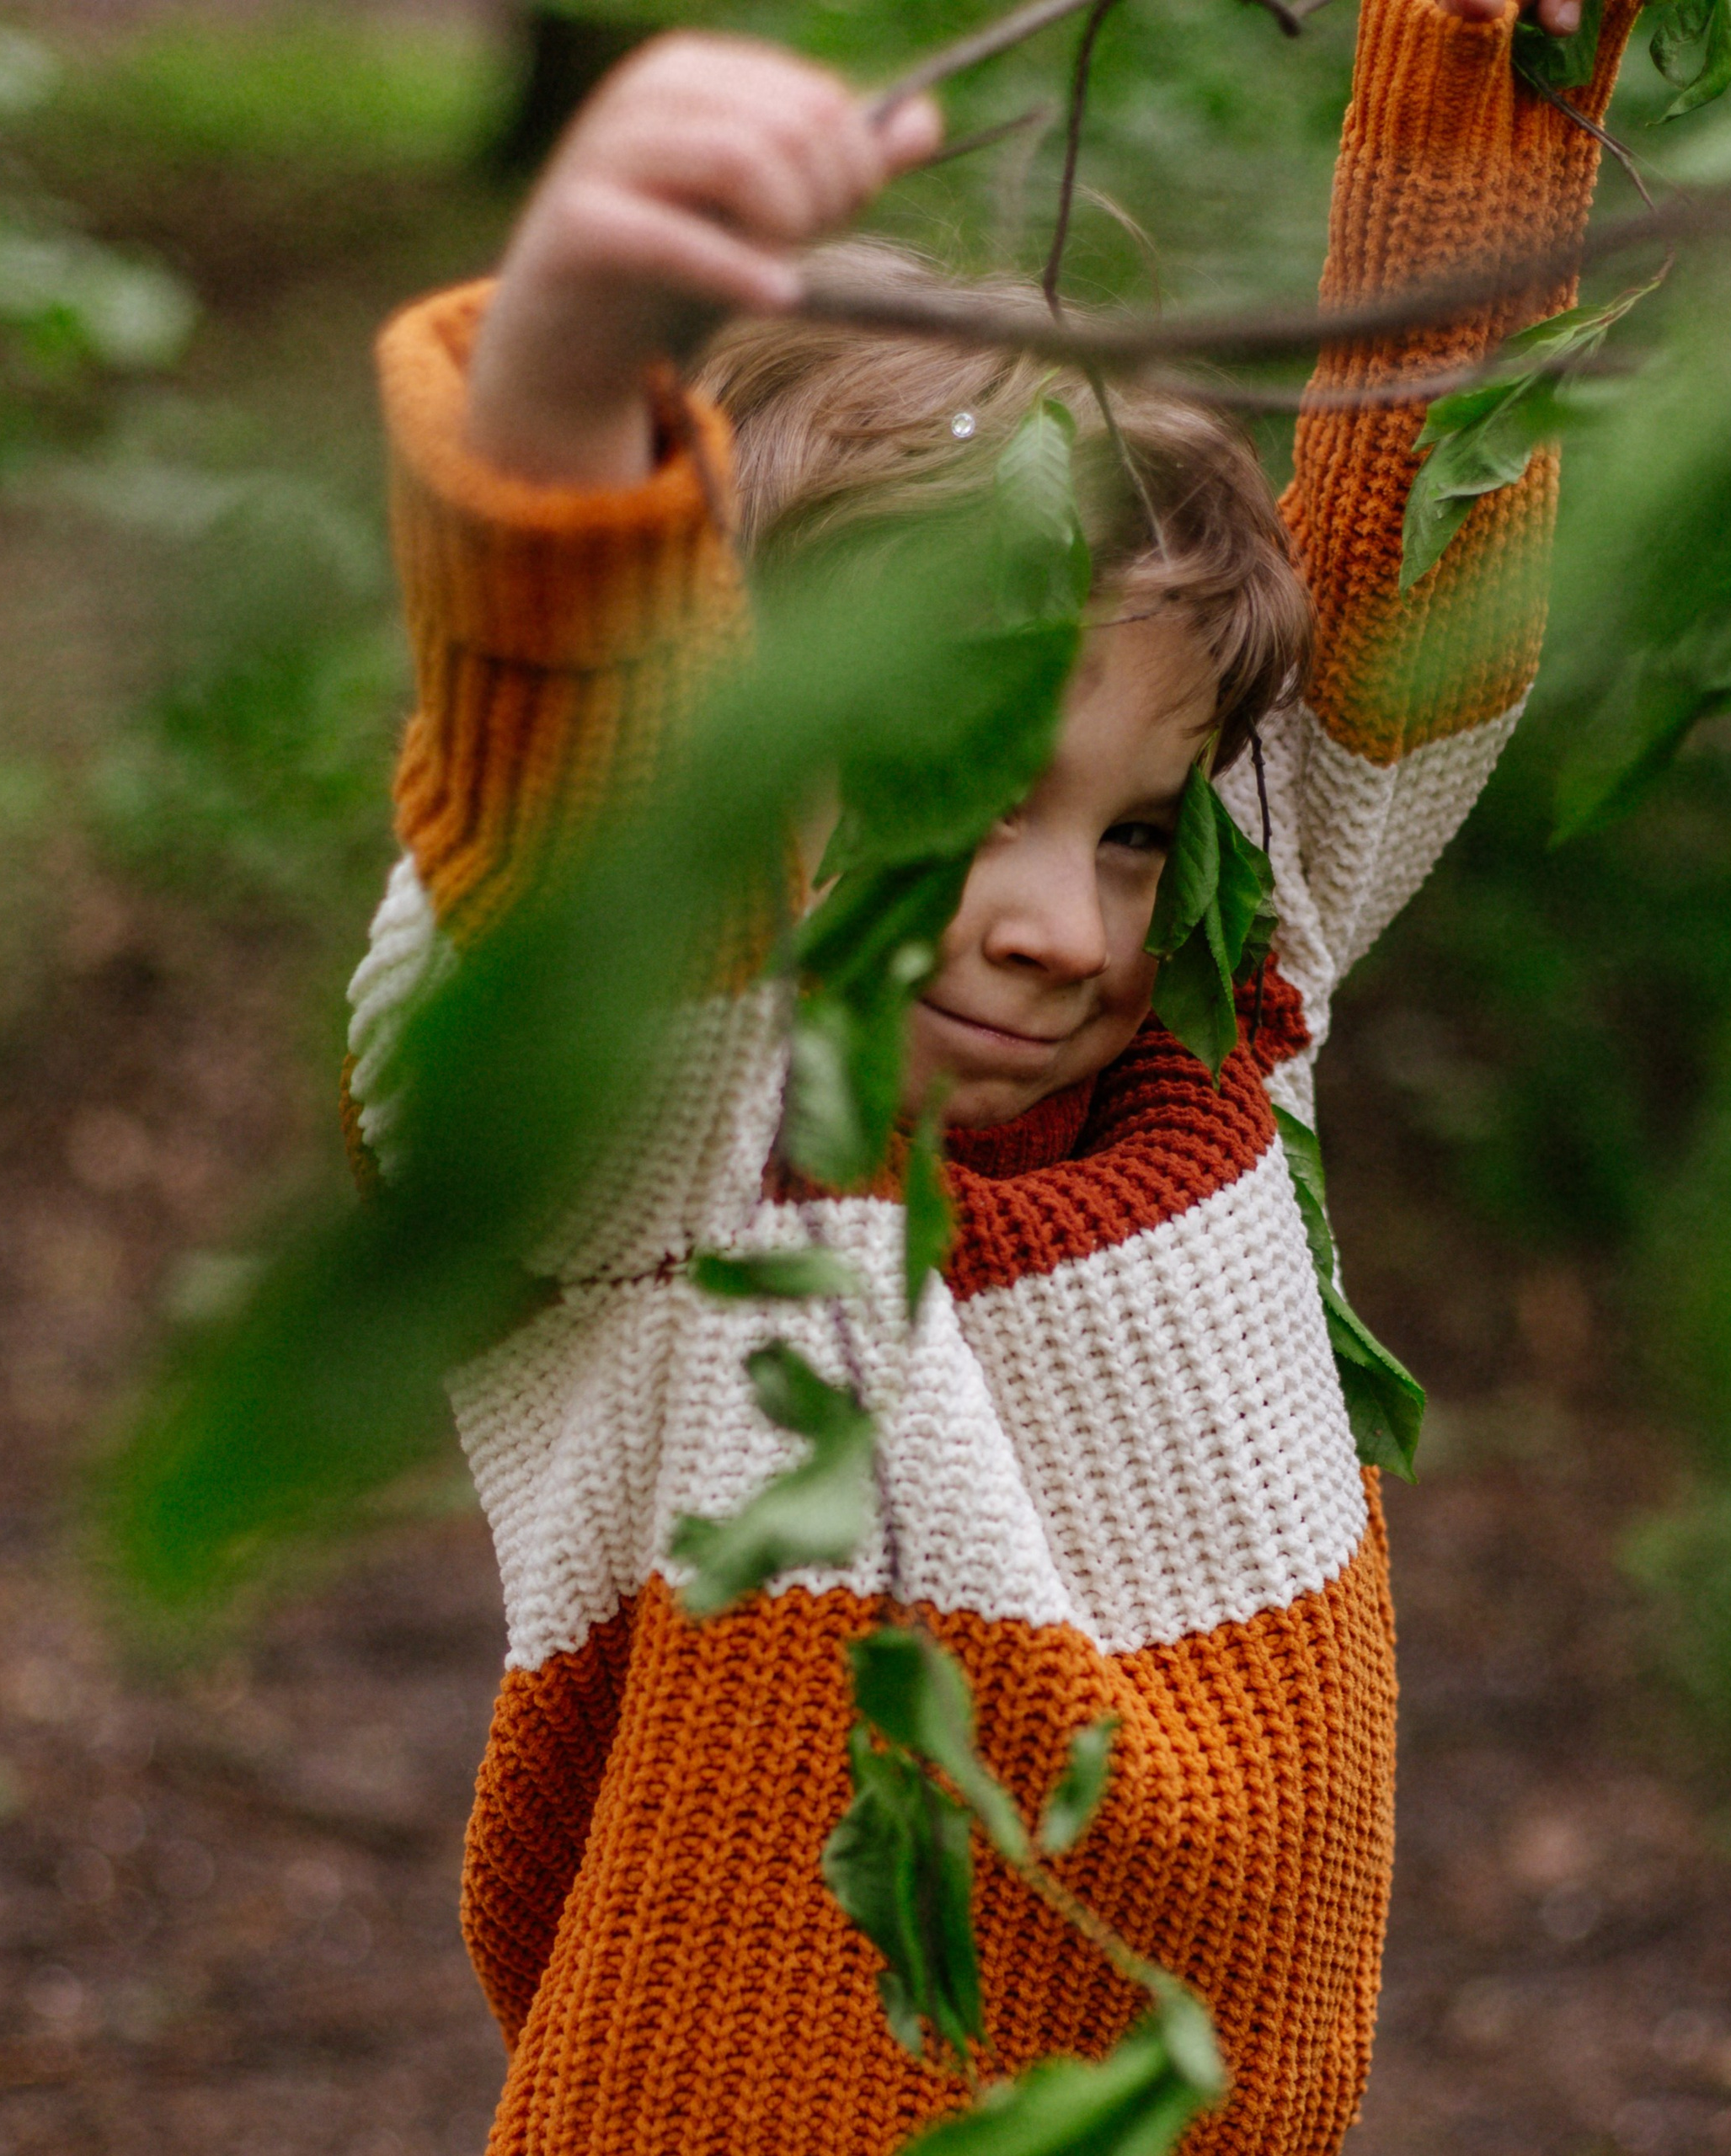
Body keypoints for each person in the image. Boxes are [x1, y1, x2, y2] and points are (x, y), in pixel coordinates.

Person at [343, 0, 1632, 2148]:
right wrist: (561, 394)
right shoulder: (701, 1159)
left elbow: (1421, 596)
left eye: (1131, 828)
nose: (1063, 922)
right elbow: (570, 870)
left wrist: (1496, 68)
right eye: (951, 802)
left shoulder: (1234, 1004)